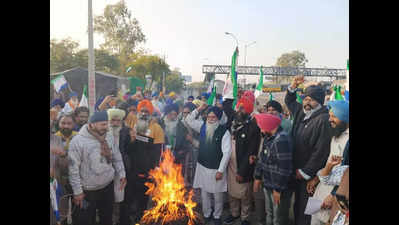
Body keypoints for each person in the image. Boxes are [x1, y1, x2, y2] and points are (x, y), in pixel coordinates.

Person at [284, 75, 333, 225]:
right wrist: (293, 87)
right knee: (298, 205)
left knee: (307, 210)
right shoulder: (302, 112)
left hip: (310, 176)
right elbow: (290, 101)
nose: (307, 103)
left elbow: (321, 150)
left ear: (319, 101)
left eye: (311, 100)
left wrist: (306, 171)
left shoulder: (323, 119)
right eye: (305, 99)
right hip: (297, 171)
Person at [68, 111, 126, 225]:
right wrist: (78, 192)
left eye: (106, 124)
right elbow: (73, 169)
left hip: (107, 187)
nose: (106, 127)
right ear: (92, 124)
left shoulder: (109, 136)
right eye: (102, 124)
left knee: (107, 218)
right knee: (86, 220)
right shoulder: (78, 141)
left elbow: (116, 156)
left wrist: (122, 174)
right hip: (87, 191)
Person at [185, 103, 232, 225]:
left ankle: (217, 216)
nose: (210, 119)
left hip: (216, 169)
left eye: (213, 117)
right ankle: (207, 214)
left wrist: (221, 171)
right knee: (204, 193)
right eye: (209, 117)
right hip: (202, 167)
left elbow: (227, 153)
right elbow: (188, 120)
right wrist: (199, 108)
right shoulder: (202, 126)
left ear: (218, 118)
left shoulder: (224, 132)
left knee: (217, 195)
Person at [123, 99, 165, 224]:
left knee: (142, 198)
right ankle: (126, 219)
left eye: (147, 111)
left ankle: (140, 219)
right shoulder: (131, 121)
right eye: (142, 111)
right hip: (129, 168)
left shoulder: (156, 128)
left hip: (145, 170)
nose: (144, 113)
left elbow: (158, 152)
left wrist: (154, 170)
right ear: (137, 111)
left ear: (151, 113)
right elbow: (120, 112)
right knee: (128, 197)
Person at [307, 100, 349, 225]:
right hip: (321, 190)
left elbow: (345, 175)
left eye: (334, 116)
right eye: (330, 116)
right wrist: (316, 179)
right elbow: (329, 164)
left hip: (335, 196)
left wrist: (333, 195)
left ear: (345, 117)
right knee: (314, 220)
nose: (330, 120)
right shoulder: (335, 135)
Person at [224, 97, 261, 225]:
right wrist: (230, 95)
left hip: (243, 165)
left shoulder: (253, 126)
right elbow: (226, 106)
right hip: (230, 165)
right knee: (232, 192)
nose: (239, 110)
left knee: (245, 194)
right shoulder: (233, 121)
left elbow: (251, 151)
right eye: (239, 107)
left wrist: (242, 171)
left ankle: (245, 217)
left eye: (243, 108)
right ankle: (234, 213)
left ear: (249, 111)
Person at [253, 113, 293, 225]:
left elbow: (285, 167)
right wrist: (257, 177)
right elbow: (262, 158)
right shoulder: (268, 137)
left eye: (261, 126)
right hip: (268, 184)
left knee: (278, 218)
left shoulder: (282, 139)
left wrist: (278, 189)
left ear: (269, 125)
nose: (260, 129)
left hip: (278, 188)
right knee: (269, 213)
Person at [106, 108, 132, 225]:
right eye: (112, 120)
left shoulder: (126, 131)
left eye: (118, 121)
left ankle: (117, 220)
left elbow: (130, 150)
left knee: (119, 196)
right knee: (106, 197)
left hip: (122, 169)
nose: (115, 123)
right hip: (105, 169)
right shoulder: (104, 131)